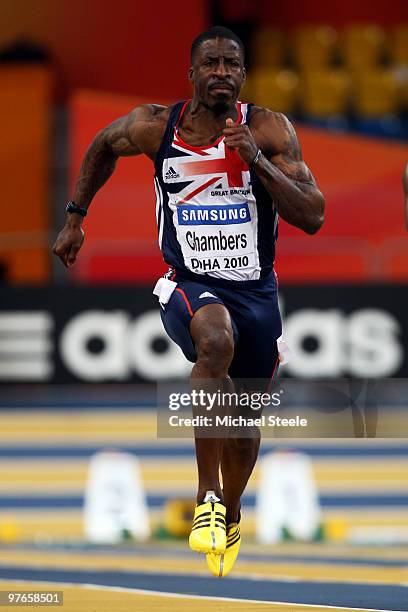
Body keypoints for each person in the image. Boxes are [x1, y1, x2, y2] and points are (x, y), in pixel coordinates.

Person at [53, 26, 325, 577]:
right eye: (210, 63)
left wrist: (259, 164)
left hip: (257, 290)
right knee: (215, 339)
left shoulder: (269, 129)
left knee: (244, 421)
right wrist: (75, 216)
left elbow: (313, 216)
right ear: (192, 73)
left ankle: (230, 509)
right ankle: (205, 496)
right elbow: (104, 145)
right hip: (189, 283)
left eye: (231, 63)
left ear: (243, 75)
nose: (221, 72)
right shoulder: (157, 127)